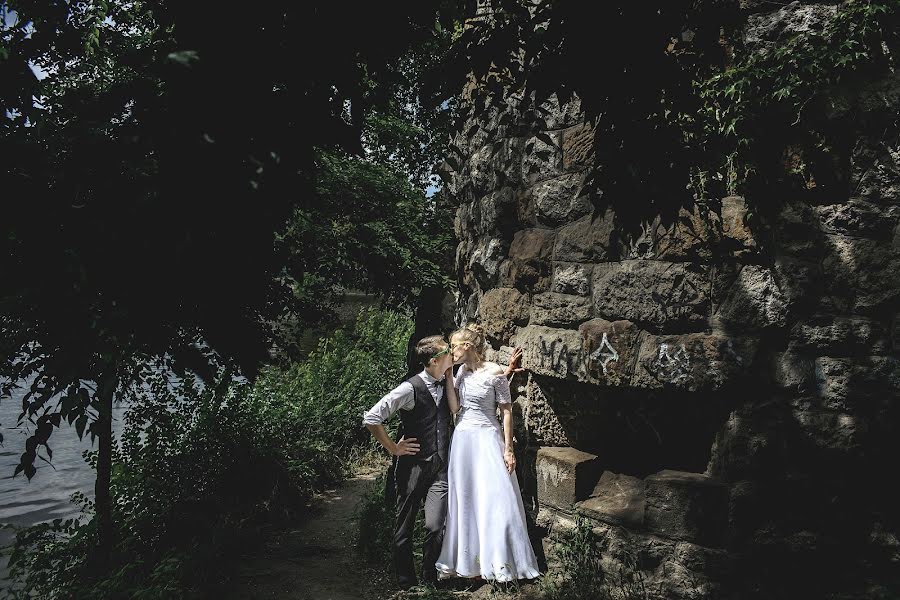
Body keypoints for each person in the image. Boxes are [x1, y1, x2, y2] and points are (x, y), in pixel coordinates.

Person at [435, 324, 540, 582]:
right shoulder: (460, 373)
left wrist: (508, 449)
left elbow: (505, 410)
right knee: (467, 498)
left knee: (496, 497)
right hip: (464, 441)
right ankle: (470, 564)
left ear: (467, 347)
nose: (451, 352)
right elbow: (455, 407)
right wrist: (449, 376)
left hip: (488, 438)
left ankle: (501, 562)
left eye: (454, 347)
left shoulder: (494, 372)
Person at [362, 335, 456, 589]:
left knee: (435, 525)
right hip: (413, 468)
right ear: (435, 360)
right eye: (449, 350)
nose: (453, 352)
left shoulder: (448, 382)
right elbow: (372, 417)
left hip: (439, 468)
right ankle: (406, 580)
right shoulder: (409, 388)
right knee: (404, 525)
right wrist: (394, 447)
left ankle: (430, 577)